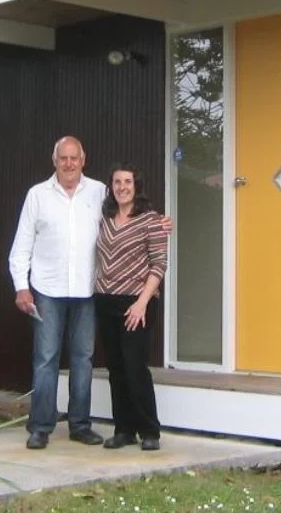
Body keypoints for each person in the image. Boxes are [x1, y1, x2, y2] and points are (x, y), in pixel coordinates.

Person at [8, 136, 107, 449]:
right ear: (54, 162)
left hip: (87, 290)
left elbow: (125, 220)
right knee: (46, 360)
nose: (68, 164)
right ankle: (40, 426)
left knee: (83, 359)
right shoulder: (37, 195)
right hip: (47, 290)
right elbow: (21, 246)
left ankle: (80, 425)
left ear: (83, 159)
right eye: (63, 158)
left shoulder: (99, 191)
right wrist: (21, 287)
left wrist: (157, 223)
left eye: (73, 158)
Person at [93, 162, 167, 451]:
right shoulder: (105, 218)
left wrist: (142, 303)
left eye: (127, 182)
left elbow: (159, 264)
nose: (122, 187)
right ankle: (124, 429)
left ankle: (150, 430)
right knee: (116, 368)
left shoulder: (151, 220)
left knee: (135, 367)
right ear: (111, 187)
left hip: (137, 303)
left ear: (136, 186)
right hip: (106, 300)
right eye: (117, 182)